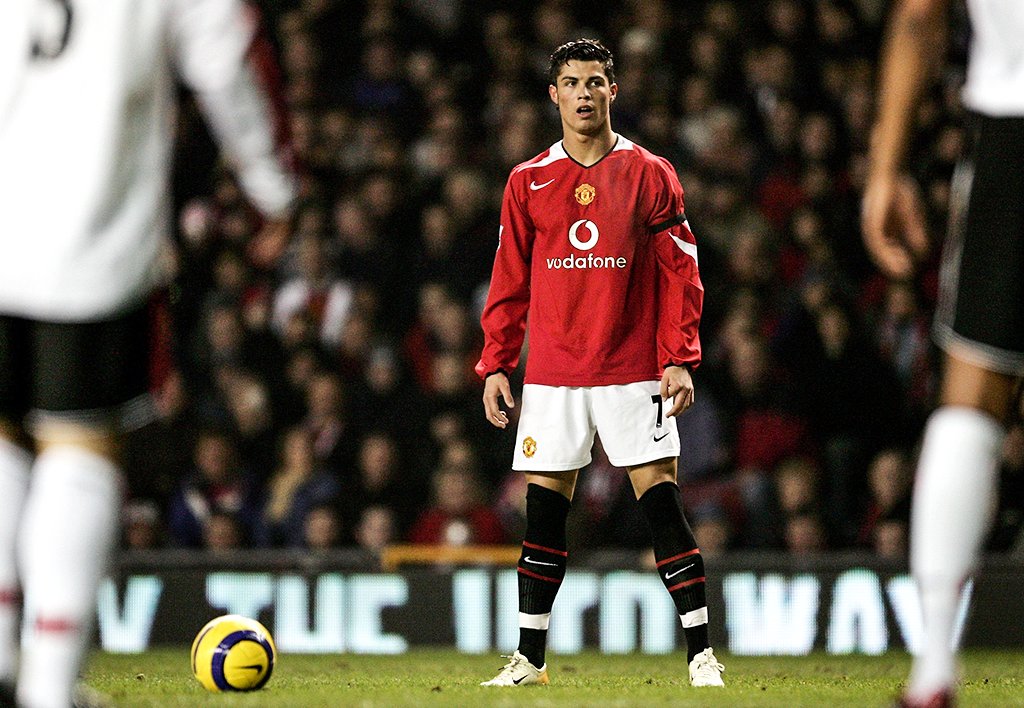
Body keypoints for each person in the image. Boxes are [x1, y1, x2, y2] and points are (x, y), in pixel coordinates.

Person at [0, 1, 296, 706]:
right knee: (82, 442)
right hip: (88, 233)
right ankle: (47, 686)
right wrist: (273, 186)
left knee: (3, 437)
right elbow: (230, 53)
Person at [476, 39, 724, 688]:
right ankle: (529, 660)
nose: (583, 93)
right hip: (553, 375)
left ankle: (701, 655)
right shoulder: (526, 181)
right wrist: (496, 363)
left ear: (613, 91)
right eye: (571, 82)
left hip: (633, 369)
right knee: (542, 517)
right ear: (553, 95)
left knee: (662, 508)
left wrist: (679, 358)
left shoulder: (650, 173)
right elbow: (508, 280)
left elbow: (682, 273)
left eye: (594, 82)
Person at [861, 1, 1024, 705]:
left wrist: (886, 168)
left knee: (974, 395)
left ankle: (932, 670)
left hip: (1013, 124)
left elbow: (918, 16)